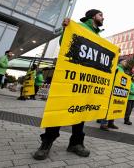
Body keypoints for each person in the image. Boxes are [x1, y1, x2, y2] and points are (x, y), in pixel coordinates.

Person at [33, 9, 105, 160]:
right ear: (93, 16)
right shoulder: (78, 26)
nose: (103, 18)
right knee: (59, 110)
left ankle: (76, 143)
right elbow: (64, 43)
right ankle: (46, 143)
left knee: (80, 112)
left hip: (84, 81)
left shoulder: (98, 36)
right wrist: (66, 28)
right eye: (101, 15)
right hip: (70, 79)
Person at [99, 57, 127, 131]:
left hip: (117, 90)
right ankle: (104, 123)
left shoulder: (122, 70)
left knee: (113, 106)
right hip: (112, 89)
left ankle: (111, 123)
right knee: (108, 107)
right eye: (124, 61)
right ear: (120, 62)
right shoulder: (117, 68)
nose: (126, 63)